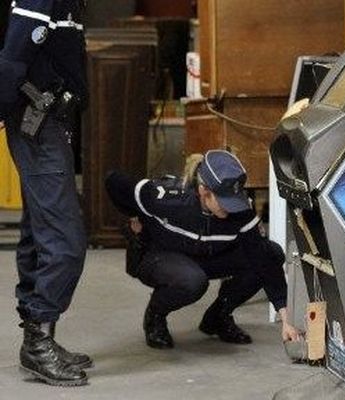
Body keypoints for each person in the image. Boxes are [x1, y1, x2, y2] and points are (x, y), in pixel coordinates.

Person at [105, 150, 300, 349]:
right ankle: (155, 315)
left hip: (208, 257)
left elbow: (263, 260)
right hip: (161, 257)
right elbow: (113, 180)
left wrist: (286, 319)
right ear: (203, 191)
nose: (231, 208)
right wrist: (134, 218)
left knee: (271, 252)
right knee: (193, 281)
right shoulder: (165, 198)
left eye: (235, 200)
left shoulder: (241, 211)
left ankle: (218, 317)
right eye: (225, 203)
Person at [0, 0, 90, 387]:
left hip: (51, 118)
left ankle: (40, 337)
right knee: (66, 240)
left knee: (38, 230)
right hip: (36, 121)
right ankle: (37, 343)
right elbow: (13, 54)